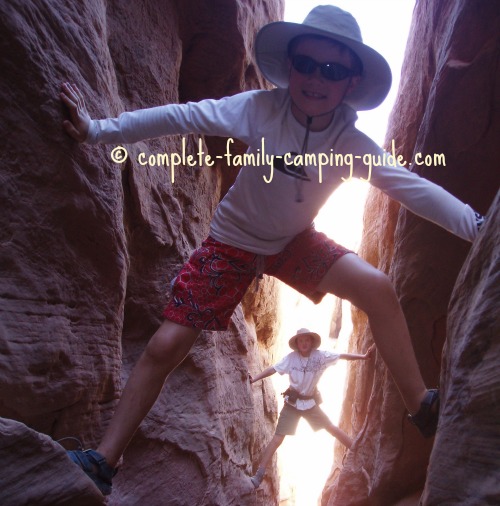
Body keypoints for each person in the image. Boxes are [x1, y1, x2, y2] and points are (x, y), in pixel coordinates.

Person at [59, 5, 484, 496]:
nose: (315, 79)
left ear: (350, 83)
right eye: (306, 64)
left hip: (291, 243)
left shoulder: (350, 143)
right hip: (232, 243)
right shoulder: (258, 109)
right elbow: (181, 116)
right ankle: (102, 461)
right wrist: (97, 130)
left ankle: (421, 406)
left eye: (332, 70)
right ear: (290, 67)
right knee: (165, 346)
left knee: (376, 286)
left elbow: (411, 188)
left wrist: (478, 226)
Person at [249, 328, 374, 488]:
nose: (304, 343)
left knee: (331, 428)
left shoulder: (320, 356)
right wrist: (255, 379)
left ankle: (359, 452)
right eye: (301, 341)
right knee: (277, 438)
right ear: (297, 343)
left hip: (310, 404)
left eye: (306, 340)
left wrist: (363, 357)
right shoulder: (291, 358)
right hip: (292, 404)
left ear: (311, 342)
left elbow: (341, 356)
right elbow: (273, 369)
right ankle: (258, 475)